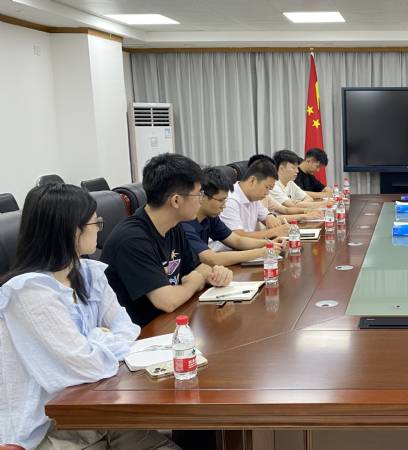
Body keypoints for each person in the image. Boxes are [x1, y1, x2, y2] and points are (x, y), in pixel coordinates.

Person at [0, 184, 179, 450]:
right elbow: (86, 365)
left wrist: (93, 342)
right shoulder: (29, 292)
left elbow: (128, 329)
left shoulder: (89, 273)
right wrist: (99, 339)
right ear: (71, 230)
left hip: (99, 407)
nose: (100, 229)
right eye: (96, 223)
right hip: (51, 425)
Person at [101, 153, 233, 326]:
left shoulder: (173, 226)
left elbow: (197, 267)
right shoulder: (132, 239)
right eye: (198, 194)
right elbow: (167, 301)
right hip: (139, 333)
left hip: (168, 322)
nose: (201, 201)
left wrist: (215, 274)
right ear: (176, 201)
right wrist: (194, 283)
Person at [182, 167, 284, 266]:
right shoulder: (184, 223)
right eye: (220, 200)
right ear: (202, 196)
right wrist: (262, 252)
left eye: (225, 200)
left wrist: (268, 243)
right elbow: (212, 259)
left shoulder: (210, 217)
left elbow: (237, 240)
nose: (224, 206)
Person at [218, 159, 291, 241]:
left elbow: (265, 215)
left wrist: (269, 216)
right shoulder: (230, 200)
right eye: (266, 187)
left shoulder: (253, 197)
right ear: (252, 180)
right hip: (228, 249)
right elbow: (238, 237)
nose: (267, 193)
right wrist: (275, 232)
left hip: (249, 246)